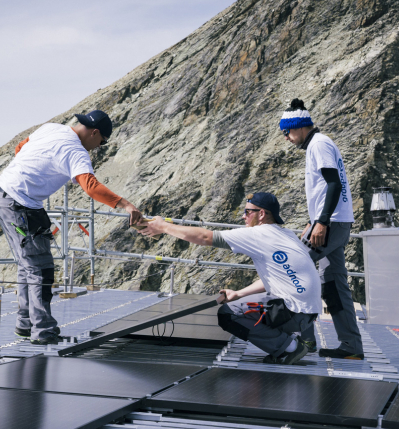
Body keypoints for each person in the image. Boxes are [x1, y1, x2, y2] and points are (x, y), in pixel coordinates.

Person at [0, 110, 143, 345]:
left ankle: (25, 324)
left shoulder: (52, 127)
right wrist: (125, 204)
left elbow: (21, 147)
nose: (98, 147)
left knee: (28, 264)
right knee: (40, 269)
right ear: (94, 133)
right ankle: (43, 332)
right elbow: (91, 187)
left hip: (6, 195)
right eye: (101, 142)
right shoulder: (76, 152)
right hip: (20, 205)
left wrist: (33, 173)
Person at [140, 193, 321, 365]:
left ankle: (290, 348)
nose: (243, 216)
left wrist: (163, 226)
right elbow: (278, 279)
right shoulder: (284, 233)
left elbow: (204, 237)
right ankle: (288, 342)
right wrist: (239, 293)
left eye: (248, 212)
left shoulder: (259, 234)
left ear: (262, 214)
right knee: (241, 305)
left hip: (293, 312)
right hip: (305, 314)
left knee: (229, 314)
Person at [280, 99, 364, 359]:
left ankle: (306, 341)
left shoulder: (319, 144)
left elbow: (334, 184)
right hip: (332, 221)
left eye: (287, 131)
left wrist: (322, 222)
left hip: (332, 223)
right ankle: (351, 346)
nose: (286, 137)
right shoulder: (317, 145)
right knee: (334, 285)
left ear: (299, 126)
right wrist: (315, 218)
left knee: (293, 267)